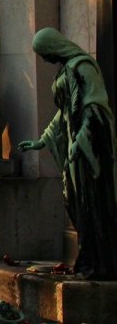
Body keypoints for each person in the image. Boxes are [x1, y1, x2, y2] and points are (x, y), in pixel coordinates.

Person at [18, 27, 117, 279]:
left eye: (44, 53)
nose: (44, 59)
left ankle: (101, 263)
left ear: (53, 46)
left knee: (93, 203)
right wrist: (42, 141)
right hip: (76, 147)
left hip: (91, 148)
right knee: (76, 202)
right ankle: (88, 260)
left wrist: (82, 139)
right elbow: (64, 114)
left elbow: (95, 106)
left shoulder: (83, 66)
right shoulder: (66, 70)